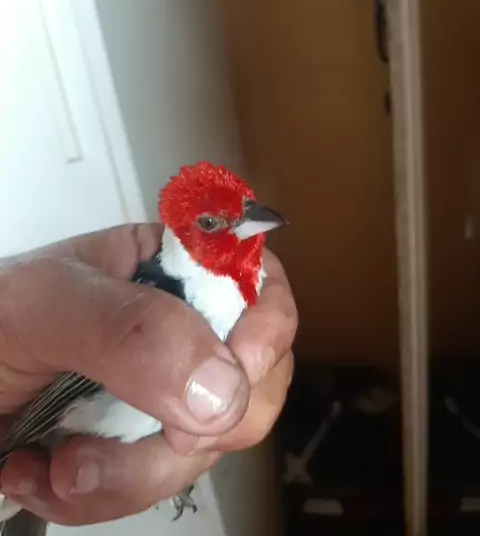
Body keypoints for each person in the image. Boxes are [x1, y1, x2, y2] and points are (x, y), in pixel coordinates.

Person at [0, 224, 297, 525]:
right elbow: (70, 383)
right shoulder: (165, 292)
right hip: (57, 429)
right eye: (212, 224)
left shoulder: (228, 293)